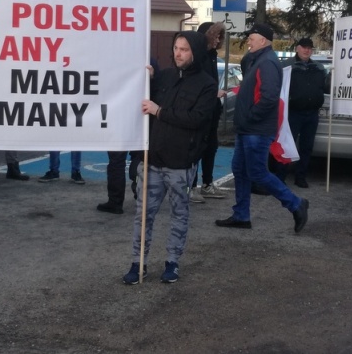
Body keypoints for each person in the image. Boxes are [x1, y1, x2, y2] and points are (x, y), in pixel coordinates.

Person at [122, 31, 216, 284]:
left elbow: (196, 120)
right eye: (176, 48)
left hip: (180, 164)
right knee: (143, 215)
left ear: (194, 52)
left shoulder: (206, 84)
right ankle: (137, 263)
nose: (178, 53)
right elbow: (144, 102)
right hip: (152, 160)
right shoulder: (165, 76)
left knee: (179, 214)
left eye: (184, 49)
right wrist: (148, 80)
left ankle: (172, 263)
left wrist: (160, 111)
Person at [215, 23, 309, 233]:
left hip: (256, 129)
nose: (248, 40)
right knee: (240, 170)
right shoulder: (258, 59)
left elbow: (269, 98)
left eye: (252, 37)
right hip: (248, 129)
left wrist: (249, 118)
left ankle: (296, 203)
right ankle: (241, 215)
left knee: (257, 172)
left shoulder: (267, 62)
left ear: (263, 40)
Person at [279, 37, 327, 189]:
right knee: (286, 145)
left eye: (309, 48)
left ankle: (301, 176)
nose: (307, 50)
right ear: (297, 48)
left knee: (307, 147)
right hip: (292, 112)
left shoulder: (319, 68)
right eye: (304, 47)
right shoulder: (287, 66)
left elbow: (324, 87)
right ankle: (280, 176)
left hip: (311, 113)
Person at [189, 21, 227, 202]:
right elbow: (196, 84)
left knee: (211, 148)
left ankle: (207, 184)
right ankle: (191, 186)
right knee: (196, 148)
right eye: (215, 35)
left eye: (220, 36)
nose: (218, 39)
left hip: (212, 110)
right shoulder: (198, 56)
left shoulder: (212, 56)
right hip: (199, 111)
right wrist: (213, 93)